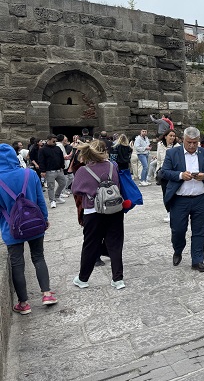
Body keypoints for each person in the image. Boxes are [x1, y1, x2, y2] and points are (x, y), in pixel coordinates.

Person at [0, 143, 57, 314]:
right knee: (38, 256)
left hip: (11, 227)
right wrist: (44, 219)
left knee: (17, 264)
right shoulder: (29, 173)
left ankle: (24, 304)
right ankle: (46, 294)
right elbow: (40, 200)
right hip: (34, 223)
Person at [161, 126, 204, 272]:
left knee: (200, 230)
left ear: (198, 141)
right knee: (178, 230)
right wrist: (181, 175)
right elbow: (165, 172)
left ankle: (197, 260)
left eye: (195, 142)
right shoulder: (173, 153)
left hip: (200, 198)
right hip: (179, 199)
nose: (192, 145)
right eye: (189, 142)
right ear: (183, 140)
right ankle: (178, 249)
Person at [71, 140, 126, 290]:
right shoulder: (112, 166)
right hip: (114, 209)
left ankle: (83, 279)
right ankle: (118, 279)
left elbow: (75, 189)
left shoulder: (83, 170)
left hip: (93, 212)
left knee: (90, 244)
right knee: (115, 244)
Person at [156, 129, 179, 223]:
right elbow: (159, 159)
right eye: (170, 136)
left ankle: (176, 213)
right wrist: (157, 172)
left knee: (175, 193)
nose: (172, 138)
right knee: (165, 193)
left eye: (174, 136)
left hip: (173, 173)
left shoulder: (177, 147)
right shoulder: (160, 145)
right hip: (163, 173)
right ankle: (169, 213)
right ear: (165, 136)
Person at [38, 134, 67, 208]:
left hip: (59, 170)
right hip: (49, 171)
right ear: (49, 140)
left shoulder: (57, 148)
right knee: (51, 186)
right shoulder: (42, 150)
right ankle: (52, 200)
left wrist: (62, 166)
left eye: (55, 141)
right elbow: (41, 161)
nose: (55, 142)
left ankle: (57, 196)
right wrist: (43, 171)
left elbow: (61, 157)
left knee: (63, 183)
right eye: (53, 141)